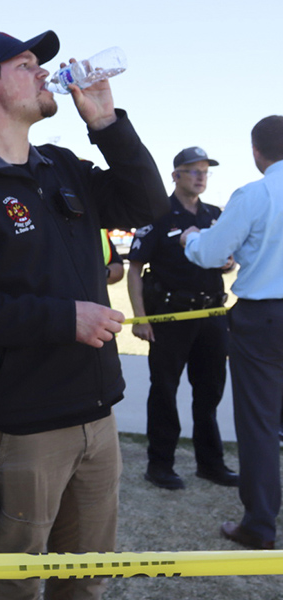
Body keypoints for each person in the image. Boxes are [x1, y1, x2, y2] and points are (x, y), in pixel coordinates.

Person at [0, 30, 168, 600]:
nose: (45, 73)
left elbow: (147, 205)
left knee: (86, 583)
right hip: (16, 427)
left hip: (96, 417)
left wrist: (107, 125)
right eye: (26, 65)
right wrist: (62, 319)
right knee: (13, 589)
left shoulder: (64, 168)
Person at [181, 115, 283, 551]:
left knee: (259, 424)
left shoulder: (256, 193)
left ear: (257, 152)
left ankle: (259, 525)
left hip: (263, 321)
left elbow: (209, 254)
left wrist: (190, 237)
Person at [127, 146, 237, 491]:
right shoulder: (157, 214)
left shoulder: (215, 215)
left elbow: (228, 260)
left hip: (212, 315)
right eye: (193, 170)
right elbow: (134, 270)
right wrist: (141, 319)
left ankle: (211, 464)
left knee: (210, 392)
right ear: (175, 175)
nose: (200, 176)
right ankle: (160, 465)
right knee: (164, 391)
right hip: (170, 317)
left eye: (205, 170)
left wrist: (228, 262)